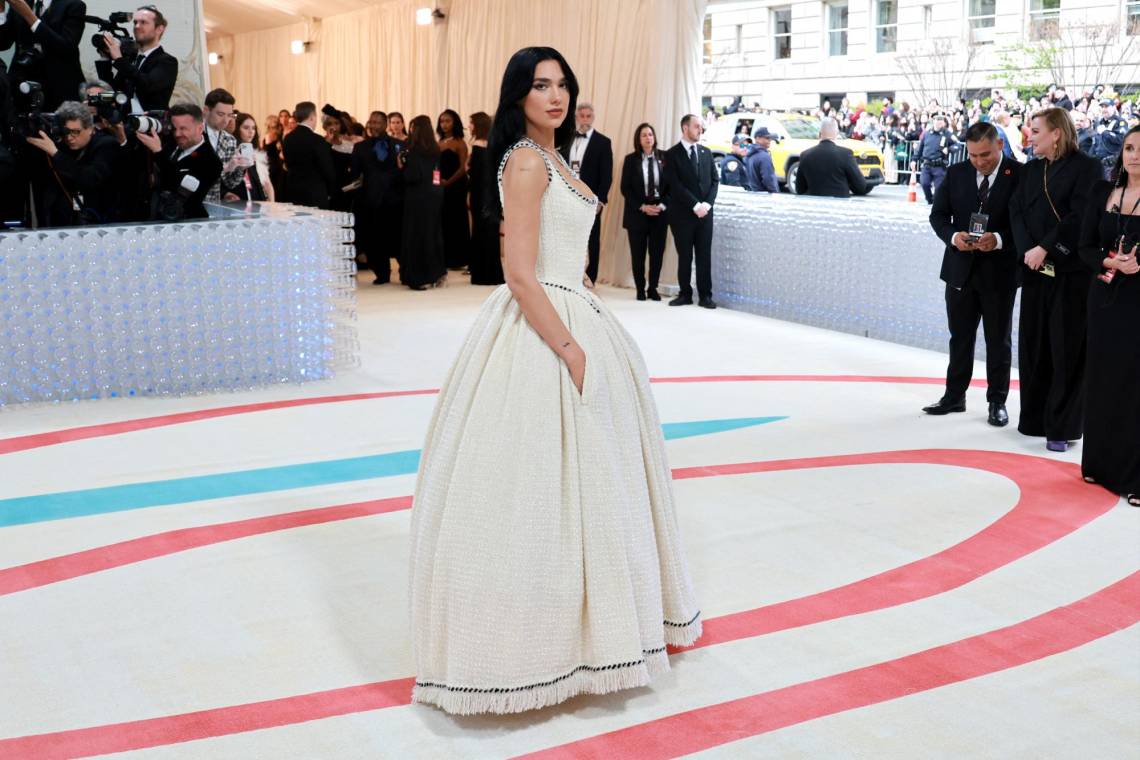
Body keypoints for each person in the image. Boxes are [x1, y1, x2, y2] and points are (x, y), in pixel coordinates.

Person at [409, 47, 701, 716]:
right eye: (541, 85)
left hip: (575, 309)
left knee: (592, 482)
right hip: (546, 328)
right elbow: (518, 272)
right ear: (518, 96)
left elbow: (556, 252)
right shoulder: (525, 161)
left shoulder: (556, 158)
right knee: (537, 488)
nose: (555, 94)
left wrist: (584, 291)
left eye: (563, 84)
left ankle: (592, 630)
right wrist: (569, 348)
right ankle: (535, 646)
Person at [1010, 107, 1104, 452]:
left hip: (1070, 271)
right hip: (1034, 270)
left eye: (1035, 131)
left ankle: (1062, 427)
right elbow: (1016, 211)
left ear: (1056, 133)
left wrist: (1046, 247)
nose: (1029, 136)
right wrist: (1027, 251)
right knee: (1034, 345)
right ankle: (1034, 418)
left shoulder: (1088, 168)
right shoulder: (1031, 169)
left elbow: (1083, 216)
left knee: (1066, 348)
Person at [924, 122, 1022, 427]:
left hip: (1000, 273)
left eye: (986, 155)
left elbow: (1028, 223)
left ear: (1000, 146)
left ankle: (997, 401)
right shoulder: (955, 174)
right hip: (959, 271)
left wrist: (1000, 239)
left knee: (998, 340)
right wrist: (954, 237)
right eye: (974, 156)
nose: (980, 162)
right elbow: (938, 216)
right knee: (960, 338)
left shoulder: (1020, 175)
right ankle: (954, 396)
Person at [1079, 126, 1140, 507]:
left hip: (1138, 303)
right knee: (1102, 380)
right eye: (1130, 147)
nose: (1135, 154)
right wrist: (1109, 260)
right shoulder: (1103, 192)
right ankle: (1099, 463)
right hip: (1103, 298)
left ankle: (1135, 476)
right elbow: (1085, 246)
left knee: (1134, 388)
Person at [23, 100, 118, 226]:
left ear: (90, 129)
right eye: (66, 131)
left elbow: (90, 177)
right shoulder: (61, 145)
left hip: (100, 220)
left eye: (76, 132)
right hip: (63, 220)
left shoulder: (106, 145)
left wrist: (55, 153)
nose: (69, 137)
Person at [664, 113, 718, 308]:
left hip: (705, 214)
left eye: (701, 127)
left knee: (704, 255)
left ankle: (705, 296)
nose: (700, 130)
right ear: (685, 128)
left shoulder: (706, 152)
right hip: (683, 215)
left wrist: (707, 205)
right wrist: (695, 205)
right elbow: (675, 185)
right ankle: (685, 293)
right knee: (685, 255)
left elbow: (714, 180)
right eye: (696, 126)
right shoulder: (671, 154)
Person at [135, 102, 221, 221]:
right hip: (154, 216)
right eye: (174, 128)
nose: (177, 134)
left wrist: (158, 153)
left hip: (186, 223)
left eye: (183, 129)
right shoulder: (172, 142)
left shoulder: (211, 161)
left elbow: (181, 189)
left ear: (200, 128)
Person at [560, 101, 612, 284]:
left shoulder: (603, 142)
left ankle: (591, 276)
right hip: (567, 197)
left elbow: (606, 175)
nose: (585, 119)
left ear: (593, 117)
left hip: (591, 199)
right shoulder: (566, 139)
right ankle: (568, 275)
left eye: (588, 116)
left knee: (592, 239)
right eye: (581, 116)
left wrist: (601, 200)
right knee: (567, 236)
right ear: (576, 118)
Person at [0, 0, 85, 110]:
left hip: (58, 86)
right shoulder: (21, 3)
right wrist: (1, 12)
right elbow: (3, 43)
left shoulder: (74, 5)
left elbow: (66, 47)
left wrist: (29, 15)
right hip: (22, 83)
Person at [95, 5, 177, 113]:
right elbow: (113, 92)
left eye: (143, 22)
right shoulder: (130, 60)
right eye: (135, 22)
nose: (137, 26)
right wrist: (104, 59)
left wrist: (119, 59)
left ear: (159, 29)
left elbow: (147, 85)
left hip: (150, 125)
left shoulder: (167, 61)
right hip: (122, 123)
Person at [350, 111, 400, 284]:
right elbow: (356, 177)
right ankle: (382, 273)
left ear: (385, 124)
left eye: (378, 122)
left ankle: (406, 269)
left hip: (395, 200)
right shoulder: (360, 148)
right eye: (371, 122)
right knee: (375, 239)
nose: (374, 125)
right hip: (371, 201)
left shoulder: (398, 145)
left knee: (397, 236)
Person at [620, 122, 668, 300]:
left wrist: (662, 205)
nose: (648, 138)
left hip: (660, 214)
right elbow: (625, 189)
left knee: (656, 254)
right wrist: (643, 206)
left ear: (654, 138)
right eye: (644, 135)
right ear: (638, 140)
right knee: (638, 255)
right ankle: (640, 288)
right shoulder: (630, 160)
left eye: (650, 134)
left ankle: (653, 288)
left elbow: (671, 186)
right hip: (637, 214)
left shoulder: (665, 157)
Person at [397, 114, 445, 290]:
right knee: (432, 233)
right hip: (434, 194)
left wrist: (401, 166)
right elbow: (436, 175)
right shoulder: (435, 149)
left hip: (417, 197)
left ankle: (418, 276)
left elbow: (412, 176)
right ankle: (436, 273)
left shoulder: (413, 151)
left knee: (415, 235)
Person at [466, 111, 504, 285]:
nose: (469, 126)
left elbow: (477, 176)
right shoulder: (494, 145)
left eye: (471, 123)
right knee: (490, 235)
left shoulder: (479, 146)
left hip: (480, 195)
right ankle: (492, 273)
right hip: (491, 196)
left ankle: (483, 274)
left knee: (482, 234)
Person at [795, 117, 869, 198]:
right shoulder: (845, 154)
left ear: (819, 134)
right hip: (840, 206)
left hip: (814, 206)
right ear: (836, 134)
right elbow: (861, 186)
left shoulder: (805, 155)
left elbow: (799, 189)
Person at [282, 101, 335, 209]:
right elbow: (327, 169)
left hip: (293, 192)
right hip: (315, 194)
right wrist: (331, 191)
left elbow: (288, 164)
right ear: (312, 117)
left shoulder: (288, 138)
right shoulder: (317, 140)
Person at [437, 108, 470, 270]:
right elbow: (435, 167)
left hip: (456, 186)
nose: (444, 124)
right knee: (443, 221)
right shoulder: (437, 143)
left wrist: (448, 182)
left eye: (448, 120)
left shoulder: (459, 142)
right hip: (440, 186)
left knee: (456, 220)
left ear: (454, 122)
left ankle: (459, 258)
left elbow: (463, 168)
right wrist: (437, 182)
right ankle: (445, 257)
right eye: (442, 121)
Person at [202, 88, 246, 204]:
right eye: (221, 114)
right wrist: (225, 168)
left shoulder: (230, 140)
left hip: (213, 205)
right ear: (206, 110)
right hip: (187, 204)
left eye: (230, 115)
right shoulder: (192, 133)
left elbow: (230, 183)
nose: (226, 120)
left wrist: (240, 167)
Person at [223, 113, 272, 202]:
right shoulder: (229, 150)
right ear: (237, 129)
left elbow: (265, 183)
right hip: (236, 203)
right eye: (246, 128)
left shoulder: (253, 152)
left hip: (255, 202)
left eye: (253, 128)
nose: (251, 131)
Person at [917, 114, 955, 204]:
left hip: (939, 166)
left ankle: (936, 200)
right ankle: (930, 200)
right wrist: (914, 160)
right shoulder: (926, 134)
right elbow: (919, 149)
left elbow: (957, 145)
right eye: (937, 120)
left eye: (941, 121)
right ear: (933, 121)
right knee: (924, 183)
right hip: (927, 164)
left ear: (943, 123)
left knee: (939, 188)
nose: (939, 122)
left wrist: (949, 149)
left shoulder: (947, 134)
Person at [323, 111, 355, 212]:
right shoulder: (320, 144)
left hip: (346, 188)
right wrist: (328, 142)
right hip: (327, 189)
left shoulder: (349, 145)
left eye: (336, 123)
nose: (333, 127)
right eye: (329, 124)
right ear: (324, 126)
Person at [745, 127, 779, 193]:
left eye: (770, 138)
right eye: (767, 138)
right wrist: (775, 193)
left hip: (752, 194)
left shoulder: (749, 154)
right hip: (764, 196)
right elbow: (768, 179)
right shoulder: (764, 156)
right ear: (757, 138)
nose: (769, 140)